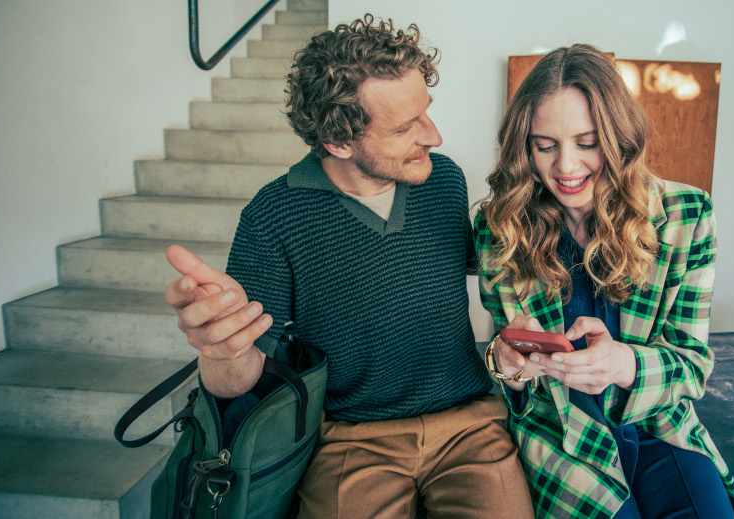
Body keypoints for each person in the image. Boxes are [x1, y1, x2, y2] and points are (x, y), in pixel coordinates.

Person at [163, 15, 534, 519]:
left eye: (426, 112)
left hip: (470, 421)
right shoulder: (274, 216)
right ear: (338, 142)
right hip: (353, 437)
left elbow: (460, 270)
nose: (436, 136)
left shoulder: (442, 180)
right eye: (405, 128)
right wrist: (218, 349)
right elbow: (242, 378)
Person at [474, 44, 734, 518]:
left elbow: (691, 368)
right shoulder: (500, 227)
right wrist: (508, 366)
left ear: (620, 137)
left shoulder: (688, 216)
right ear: (525, 146)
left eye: (587, 142)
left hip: (659, 427)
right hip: (562, 433)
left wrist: (624, 365)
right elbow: (512, 373)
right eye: (545, 145)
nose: (565, 167)